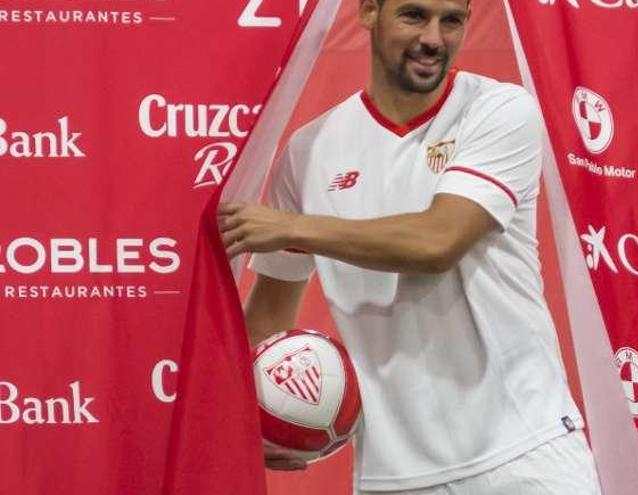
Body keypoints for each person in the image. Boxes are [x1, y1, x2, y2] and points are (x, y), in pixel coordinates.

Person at [218, 0, 602, 493]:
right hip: (391, 476)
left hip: (525, 455)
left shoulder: (500, 110)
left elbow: (437, 241)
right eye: (414, 16)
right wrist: (247, 420)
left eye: (452, 20)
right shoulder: (308, 149)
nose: (434, 38)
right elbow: (270, 314)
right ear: (369, 11)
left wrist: (293, 227)